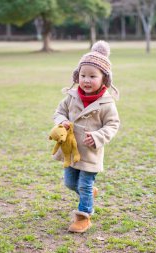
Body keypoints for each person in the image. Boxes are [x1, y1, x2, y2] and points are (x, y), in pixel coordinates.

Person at [52, 40, 120, 233]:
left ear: (104, 79)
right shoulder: (72, 96)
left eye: (92, 76)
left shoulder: (106, 103)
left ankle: (83, 216)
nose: (86, 80)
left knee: (84, 183)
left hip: (90, 151)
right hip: (71, 150)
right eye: (83, 75)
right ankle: (88, 194)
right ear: (77, 76)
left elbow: (113, 124)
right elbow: (59, 111)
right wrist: (61, 122)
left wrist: (98, 136)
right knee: (70, 182)